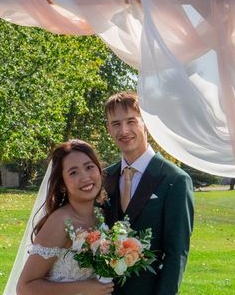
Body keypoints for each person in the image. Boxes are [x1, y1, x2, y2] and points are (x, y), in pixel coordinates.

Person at [102, 91, 194, 295]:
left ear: (146, 124)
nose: (124, 130)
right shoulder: (104, 178)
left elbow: (176, 253)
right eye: (116, 124)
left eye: (131, 121)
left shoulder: (175, 180)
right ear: (109, 129)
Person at [16, 140, 114, 295]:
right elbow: (25, 287)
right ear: (62, 184)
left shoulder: (101, 215)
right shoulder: (60, 222)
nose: (85, 177)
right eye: (73, 172)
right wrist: (85, 288)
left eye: (89, 167)